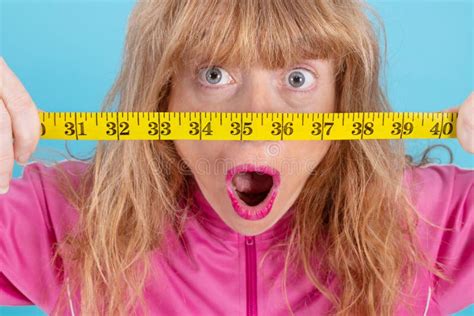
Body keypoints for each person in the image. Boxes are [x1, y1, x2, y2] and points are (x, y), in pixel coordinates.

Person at [0, 1, 473, 315]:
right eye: (214, 73)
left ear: (341, 100)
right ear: (163, 98)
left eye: (297, 79)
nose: (258, 118)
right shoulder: (63, 221)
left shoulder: (429, 226)